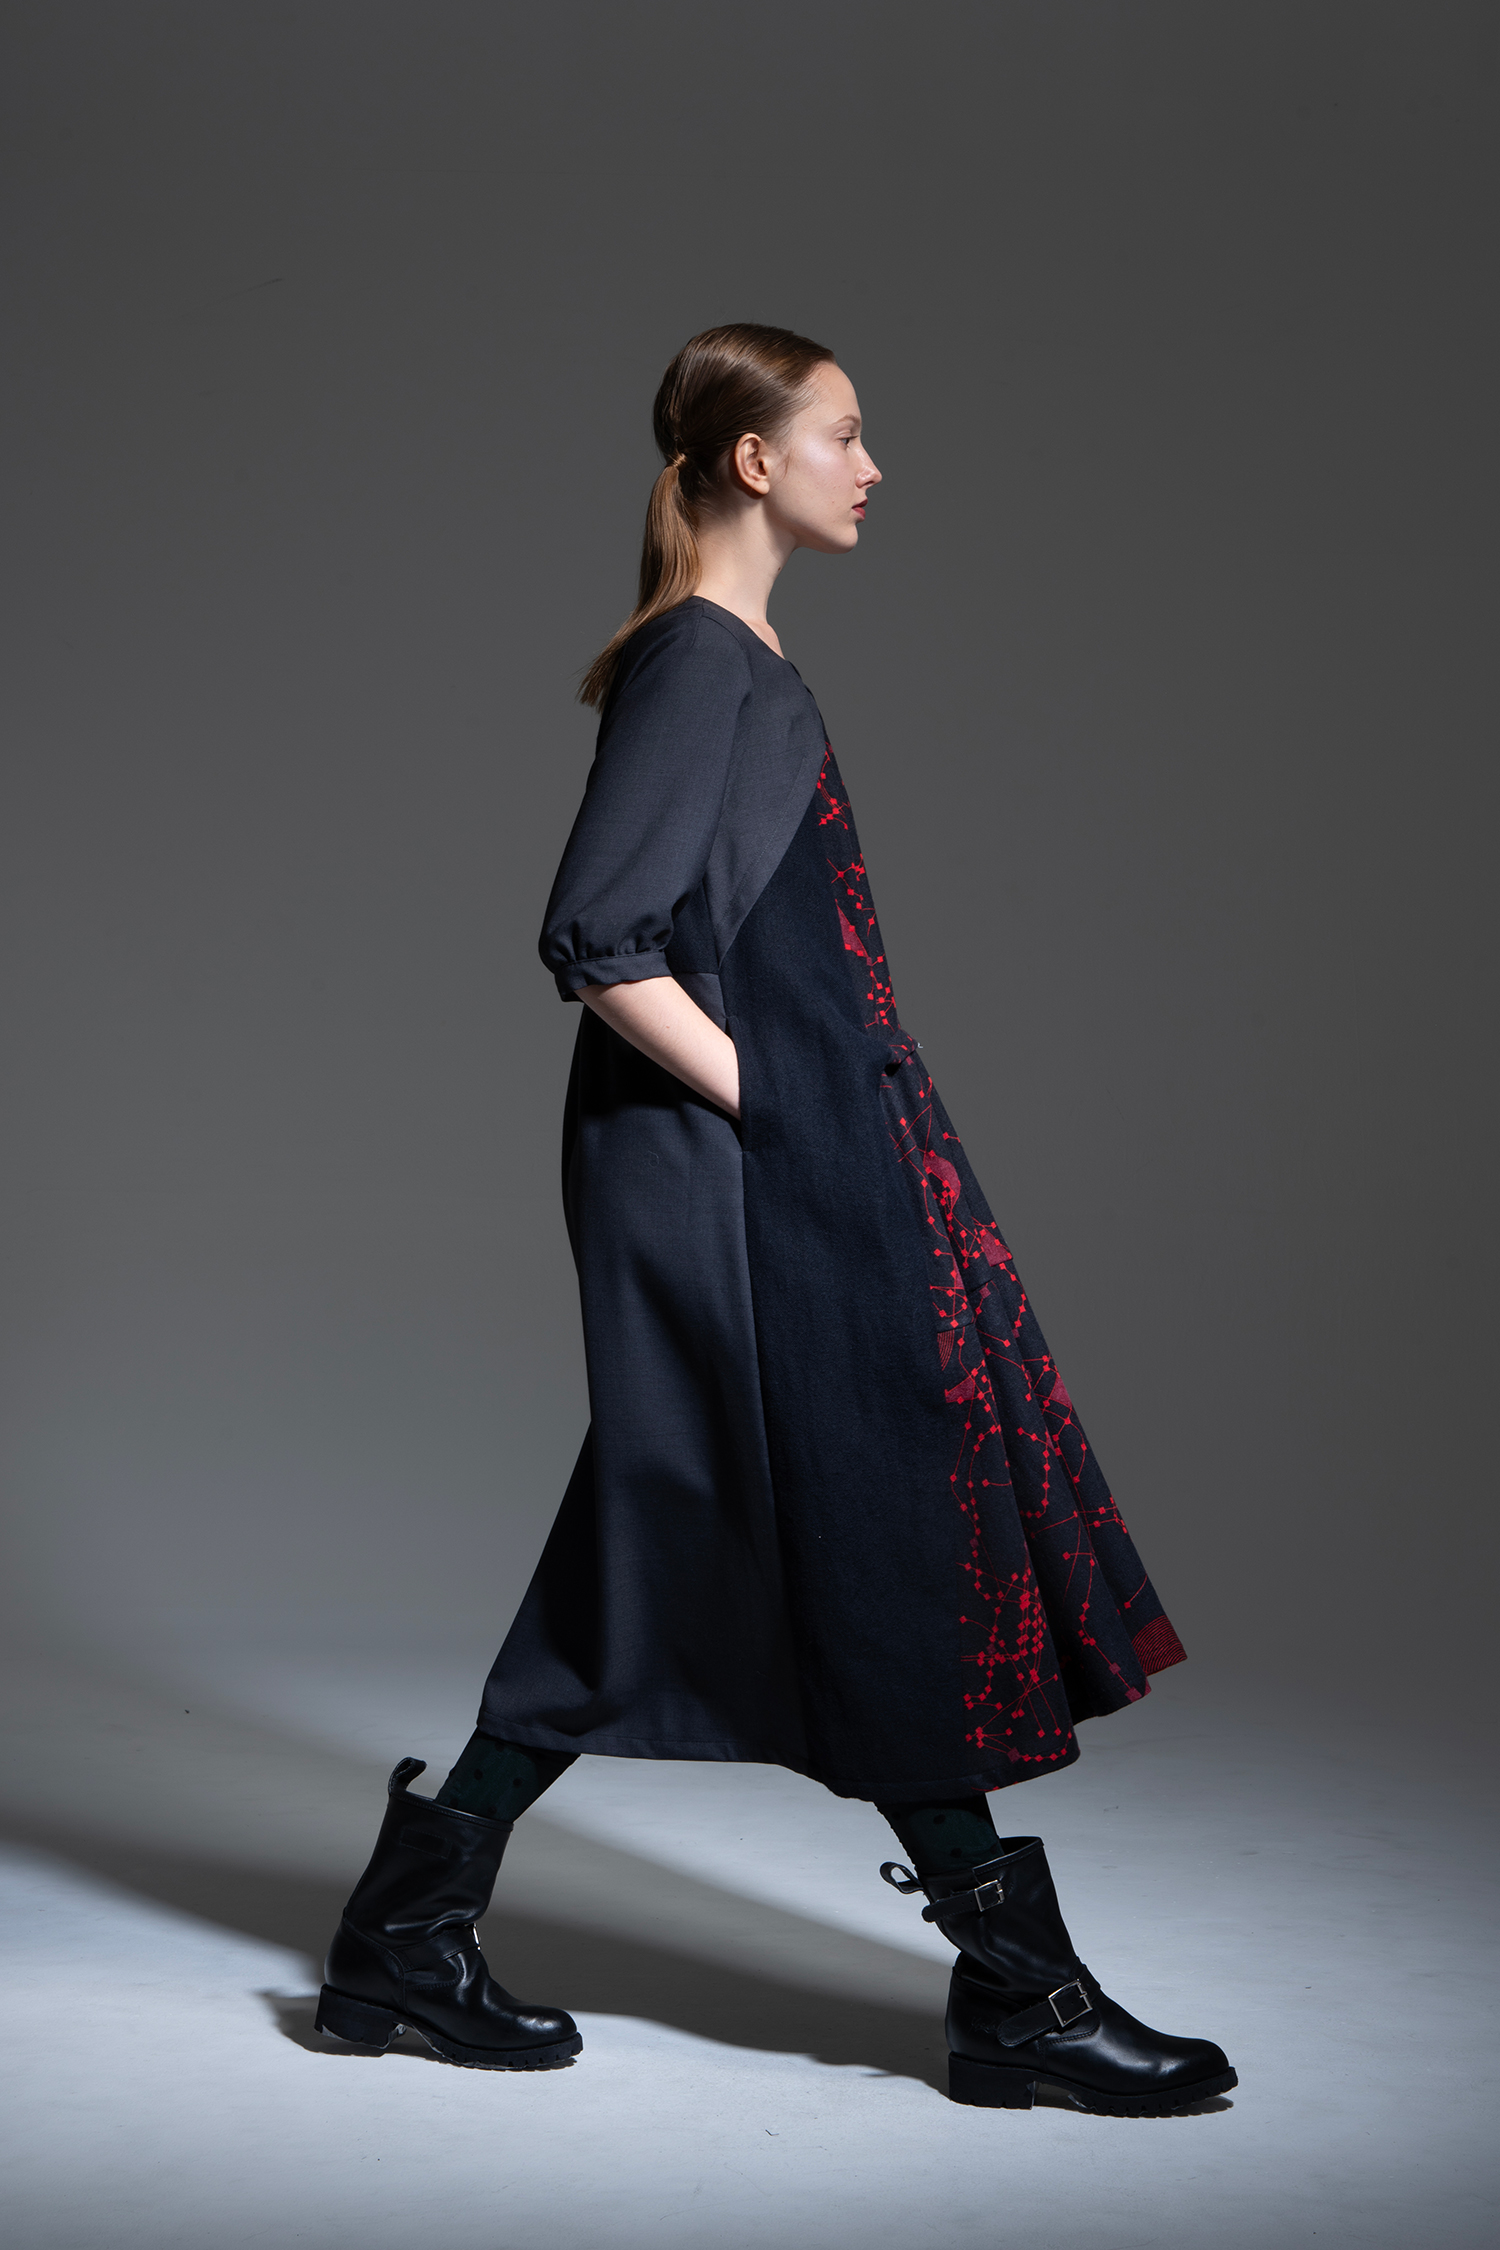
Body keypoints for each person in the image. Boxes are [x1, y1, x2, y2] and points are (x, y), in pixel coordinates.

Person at [314, 323, 1236, 2116]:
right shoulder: (701, 663)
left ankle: (403, 1936)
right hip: (739, 1185)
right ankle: (1022, 1994)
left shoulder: (734, 661)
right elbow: (601, 940)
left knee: (680, 1524)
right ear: (755, 460)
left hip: (772, 1170)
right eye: (844, 434)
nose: (872, 467)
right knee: (851, 1521)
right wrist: (793, 1111)